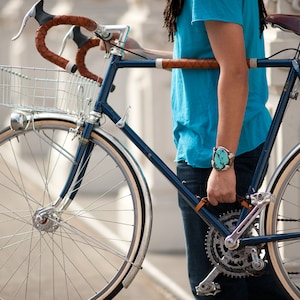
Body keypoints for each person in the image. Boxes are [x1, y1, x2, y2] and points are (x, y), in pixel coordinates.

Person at [100, 0, 290, 299]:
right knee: (251, 279)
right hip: (221, 144)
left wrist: (222, 164)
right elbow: (206, 58)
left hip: (217, 149)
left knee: (214, 287)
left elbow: (236, 72)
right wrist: (141, 52)